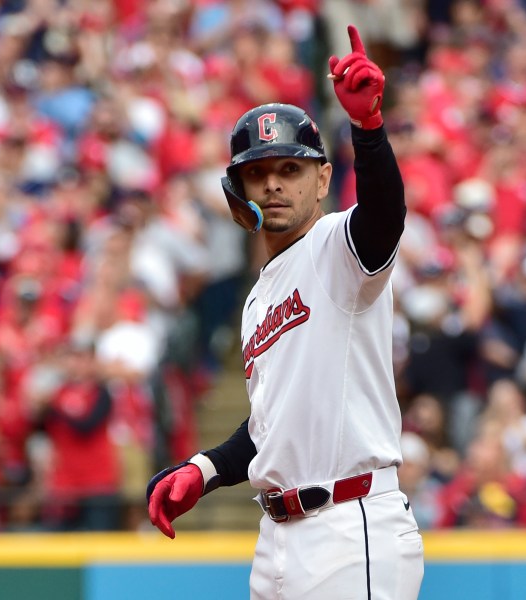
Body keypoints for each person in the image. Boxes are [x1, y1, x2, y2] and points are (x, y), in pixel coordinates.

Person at [146, 26, 424, 599]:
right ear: (236, 192)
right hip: (277, 538)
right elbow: (272, 424)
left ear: (323, 178)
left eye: (291, 169)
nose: (273, 183)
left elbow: (383, 219)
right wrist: (202, 469)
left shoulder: (336, 244)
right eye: (257, 171)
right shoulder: (256, 300)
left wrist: (369, 131)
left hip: (351, 524)